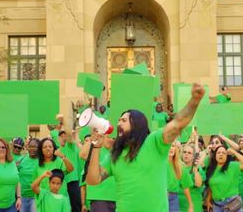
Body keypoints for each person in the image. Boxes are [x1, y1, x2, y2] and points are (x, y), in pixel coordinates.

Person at [86, 83, 205, 212]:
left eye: (124, 120)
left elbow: (177, 124)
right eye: (119, 120)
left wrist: (194, 101)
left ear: (137, 123)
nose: (119, 123)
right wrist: (96, 148)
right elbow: (93, 180)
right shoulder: (115, 154)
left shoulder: (154, 141)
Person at [205, 146, 243, 212]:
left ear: (227, 156)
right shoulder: (211, 169)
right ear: (215, 156)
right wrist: (208, 200)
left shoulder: (232, 165)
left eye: (224, 153)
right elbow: (211, 187)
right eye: (218, 153)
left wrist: (234, 152)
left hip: (232, 203)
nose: (221, 154)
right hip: (217, 205)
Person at [79, 132, 116, 212]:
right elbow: (82, 154)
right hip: (100, 197)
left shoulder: (117, 152)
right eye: (108, 137)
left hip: (118, 197)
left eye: (113, 138)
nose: (111, 140)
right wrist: (93, 139)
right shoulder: (97, 149)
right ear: (103, 137)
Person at [57, 114, 82, 212]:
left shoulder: (71, 146)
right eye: (61, 136)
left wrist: (63, 121)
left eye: (65, 136)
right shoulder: (57, 151)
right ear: (58, 138)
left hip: (72, 182)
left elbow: (69, 134)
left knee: (75, 208)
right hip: (60, 183)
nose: (64, 137)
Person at [167, 141, 193, 212]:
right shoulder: (158, 164)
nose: (171, 148)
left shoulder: (180, 166)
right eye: (168, 145)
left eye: (173, 146)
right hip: (159, 197)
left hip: (173, 199)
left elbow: (186, 187)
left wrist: (190, 205)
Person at [178, 143, 204, 212]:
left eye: (189, 153)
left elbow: (198, 184)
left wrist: (195, 170)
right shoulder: (177, 168)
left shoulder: (198, 168)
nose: (186, 154)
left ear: (193, 156)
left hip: (193, 204)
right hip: (178, 204)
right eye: (184, 152)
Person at [18, 138, 40, 212]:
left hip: (35, 197)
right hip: (22, 197)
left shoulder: (42, 161)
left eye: (35, 147)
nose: (32, 149)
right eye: (30, 146)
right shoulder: (21, 160)